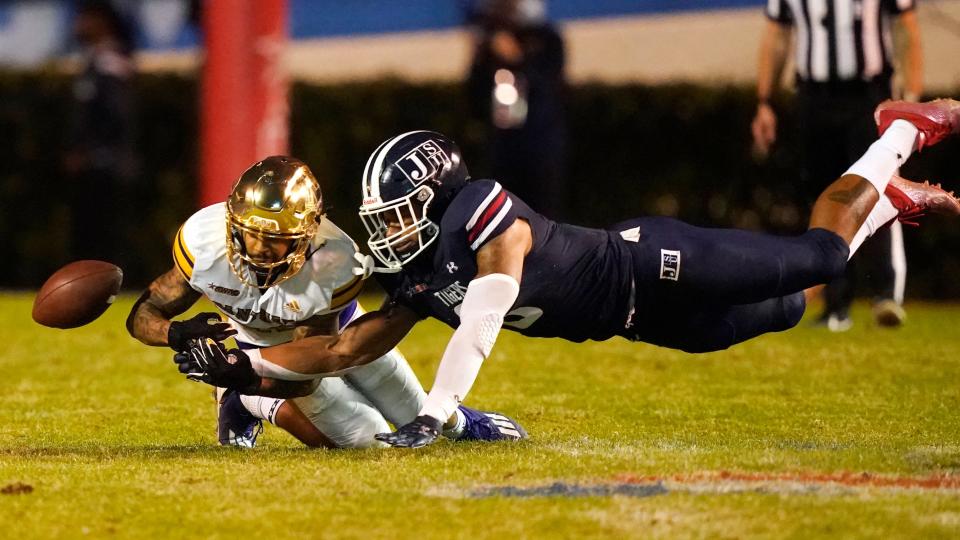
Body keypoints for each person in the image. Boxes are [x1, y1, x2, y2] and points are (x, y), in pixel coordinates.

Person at [181, 100, 960, 449]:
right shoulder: (418, 264)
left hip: (653, 266)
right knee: (790, 307)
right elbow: (349, 350)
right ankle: (884, 207)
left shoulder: (482, 208)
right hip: (640, 321)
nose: (387, 230)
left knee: (820, 256)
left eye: (398, 210)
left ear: (437, 194)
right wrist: (245, 366)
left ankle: (896, 136)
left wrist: (443, 407)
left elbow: (488, 304)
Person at [128, 156, 526, 448]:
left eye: (277, 238)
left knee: (414, 414)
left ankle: (463, 423)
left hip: (336, 335)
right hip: (259, 345)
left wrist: (246, 373)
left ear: (307, 235)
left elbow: (315, 367)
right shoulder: (202, 242)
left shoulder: (334, 261)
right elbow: (142, 316)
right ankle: (247, 403)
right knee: (371, 441)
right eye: (252, 233)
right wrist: (176, 333)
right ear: (232, 224)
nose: (262, 248)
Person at [752, 0, 924, 330]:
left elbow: (906, 27)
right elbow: (776, 34)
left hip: (868, 94)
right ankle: (836, 305)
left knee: (880, 185)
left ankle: (887, 292)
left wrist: (911, 94)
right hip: (813, 97)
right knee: (823, 196)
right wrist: (764, 101)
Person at [465, 0, 567, 218]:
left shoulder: (547, 38)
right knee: (502, 213)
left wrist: (517, 59)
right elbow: (475, 92)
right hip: (502, 143)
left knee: (542, 215)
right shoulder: (491, 40)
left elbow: (549, 85)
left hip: (539, 143)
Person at [64, 0, 139, 273]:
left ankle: (105, 285)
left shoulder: (111, 63)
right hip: (95, 162)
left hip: (105, 162)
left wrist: (92, 150)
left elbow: (117, 114)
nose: (79, 24)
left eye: (86, 18)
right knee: (88, 231)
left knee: (103, 232)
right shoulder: (95, 59)